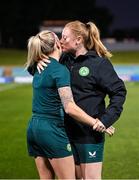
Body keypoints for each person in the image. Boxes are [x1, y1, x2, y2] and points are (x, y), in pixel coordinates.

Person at [35, 20, 127, 179]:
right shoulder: (63, 60)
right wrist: (38, 61)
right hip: (64, 133)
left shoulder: (99, 64)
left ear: (78, 40)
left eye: (65, 37)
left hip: (88, 135)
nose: (60, 41)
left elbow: (119, 92)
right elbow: (38, 73)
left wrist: (105, 121)